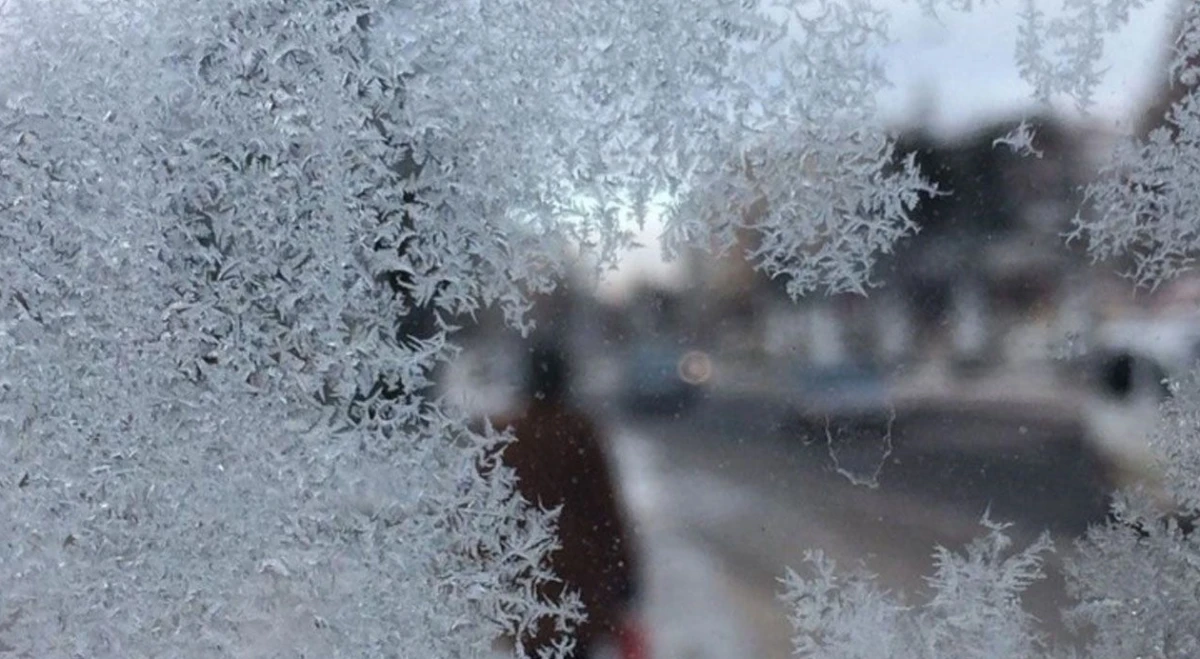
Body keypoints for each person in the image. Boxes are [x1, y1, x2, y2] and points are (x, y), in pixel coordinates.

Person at [490, 341, 645, 659]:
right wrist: (625, 574)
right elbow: (605, 511)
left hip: (528, 587)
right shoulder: (578, 433)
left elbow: (491, 516)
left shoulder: (510, 436)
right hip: (577, 589)